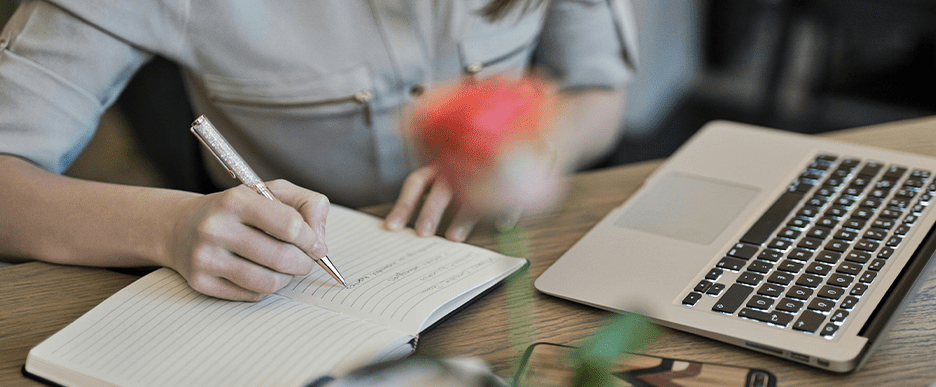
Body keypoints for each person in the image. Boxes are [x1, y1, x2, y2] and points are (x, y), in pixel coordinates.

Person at [0, 0, 638, 301]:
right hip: (288, 296)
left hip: (509, 270)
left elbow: (599, 91)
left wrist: (540, 150)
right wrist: (169, 227)